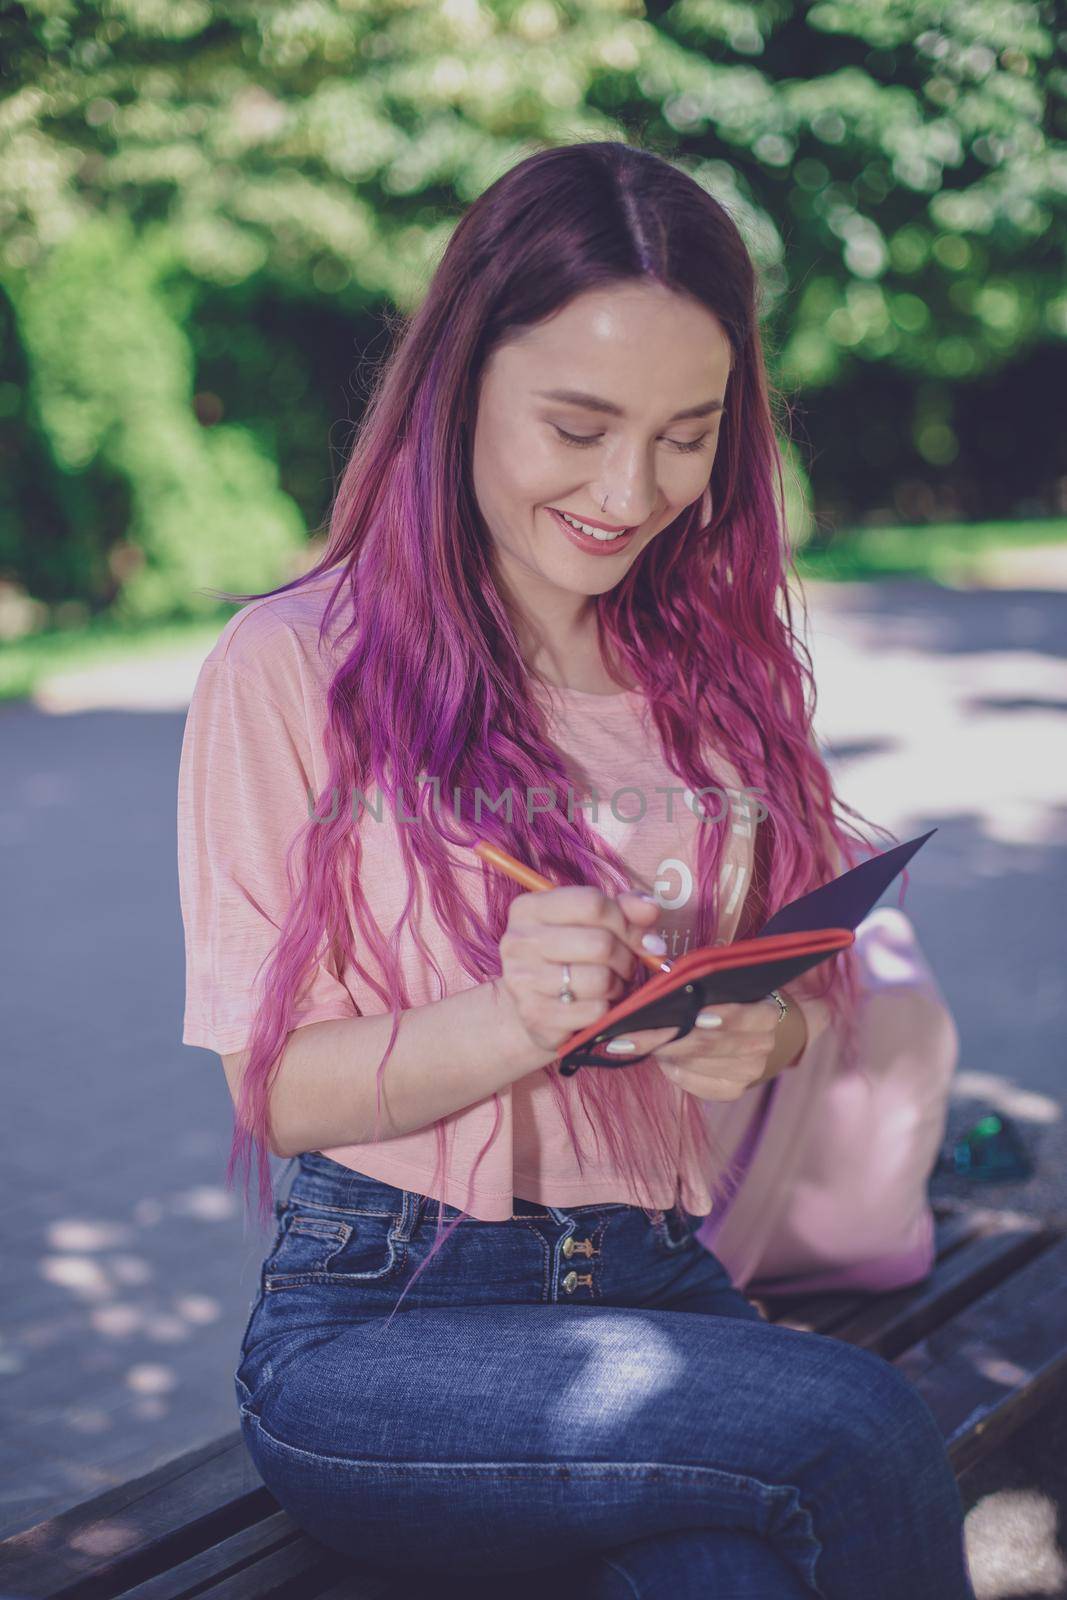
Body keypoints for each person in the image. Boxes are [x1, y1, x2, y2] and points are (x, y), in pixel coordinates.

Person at [177, 140, 976, 1598]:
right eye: (579, 425)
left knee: (731, 1575)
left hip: (657, 1278)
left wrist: (762, 1028)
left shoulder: (714, 677)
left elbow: (795, 991)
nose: (633, 488)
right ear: (460, 382)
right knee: (858, 1425)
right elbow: (271, 1086)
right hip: (384, 1326)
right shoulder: (292, 665)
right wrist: (510, 1017)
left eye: (689, 434)